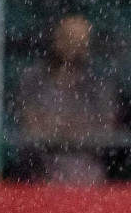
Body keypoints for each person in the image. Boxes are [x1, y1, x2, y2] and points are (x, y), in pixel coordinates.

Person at [13, 14, 115, 184]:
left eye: (81, 41)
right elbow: (31, 125)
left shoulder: (99, 85)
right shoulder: (32, 79)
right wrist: (74, 128)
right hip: (42, 180)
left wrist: (56, 126)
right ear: (57, 40)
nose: (75, 46)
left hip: (89, 182)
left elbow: (106, 129)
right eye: (70, 39)